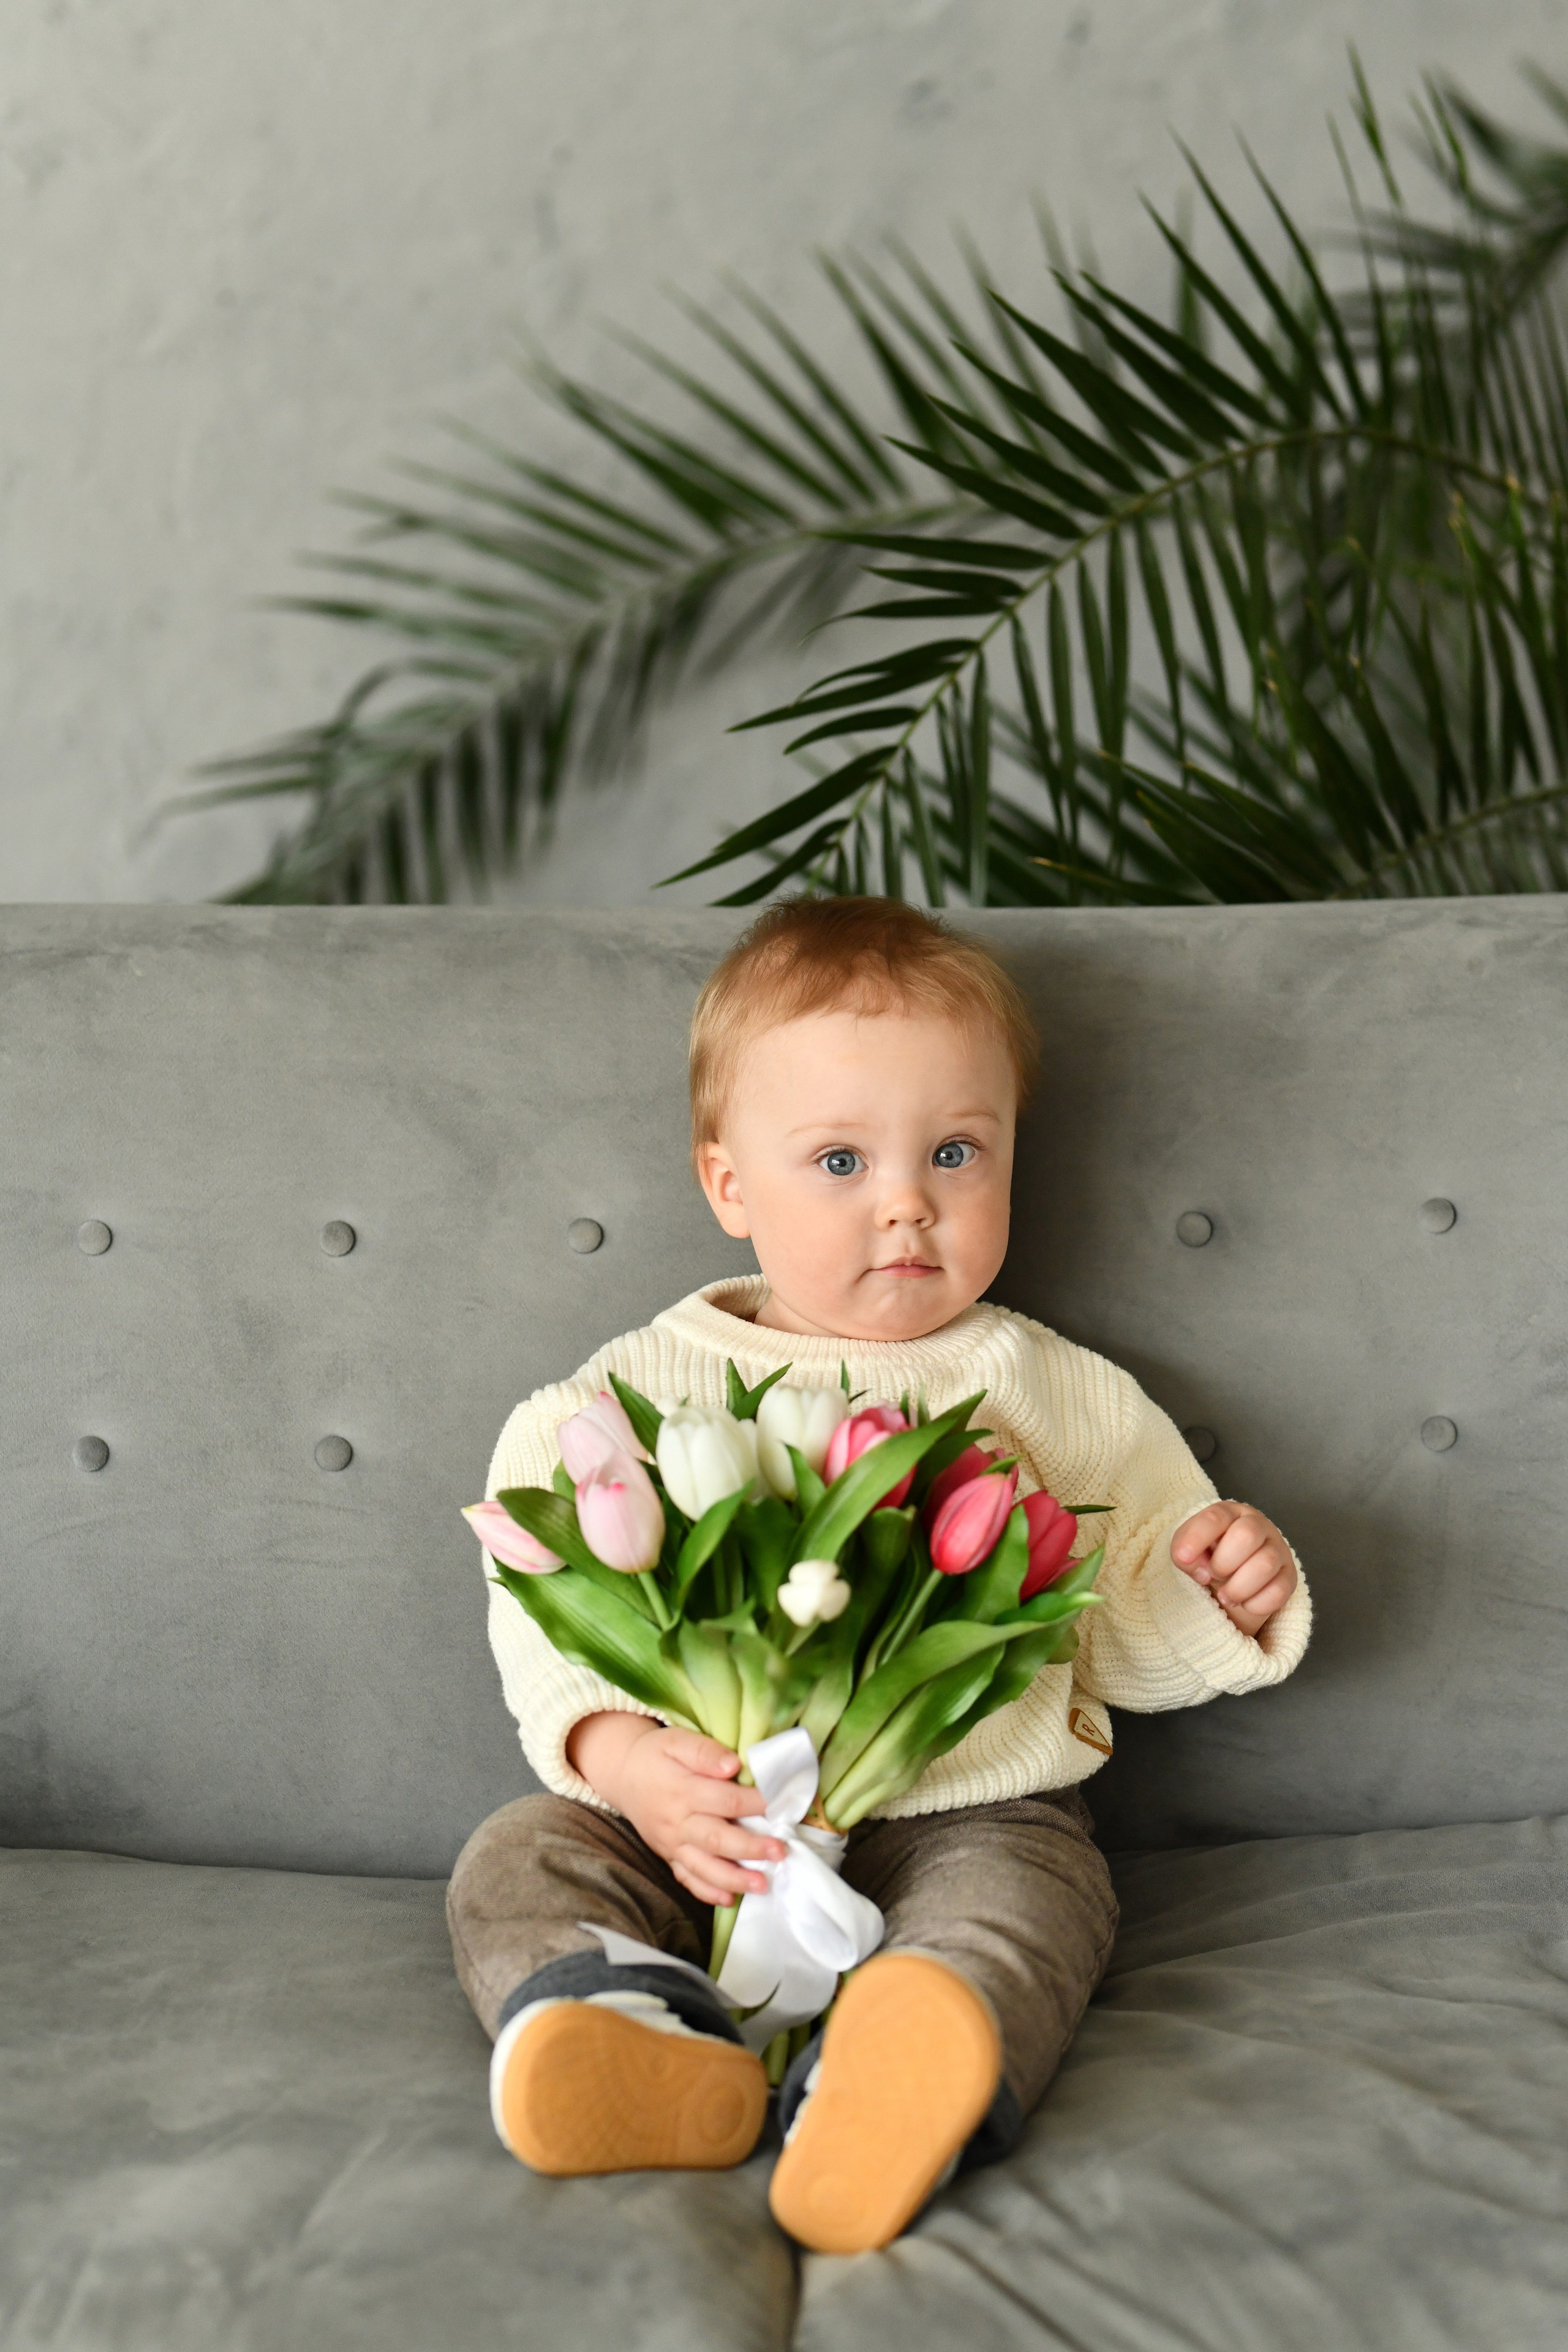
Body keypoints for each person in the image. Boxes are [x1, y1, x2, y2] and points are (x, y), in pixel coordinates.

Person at [448, 897, 1310, 2255]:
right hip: (699, 1822)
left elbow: (1113, 1618)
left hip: (968, 1809)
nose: (907, 1202)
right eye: (840, 1159)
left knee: (1032, 1905)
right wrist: (619, 1758)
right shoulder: (625, 1394)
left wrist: (1207, 1590)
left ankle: (901, 2072)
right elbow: (545, 1595)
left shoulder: (1050, 1392)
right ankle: (625, 2032)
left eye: (955, 1152)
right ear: (729, 1184)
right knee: (517, 1854)